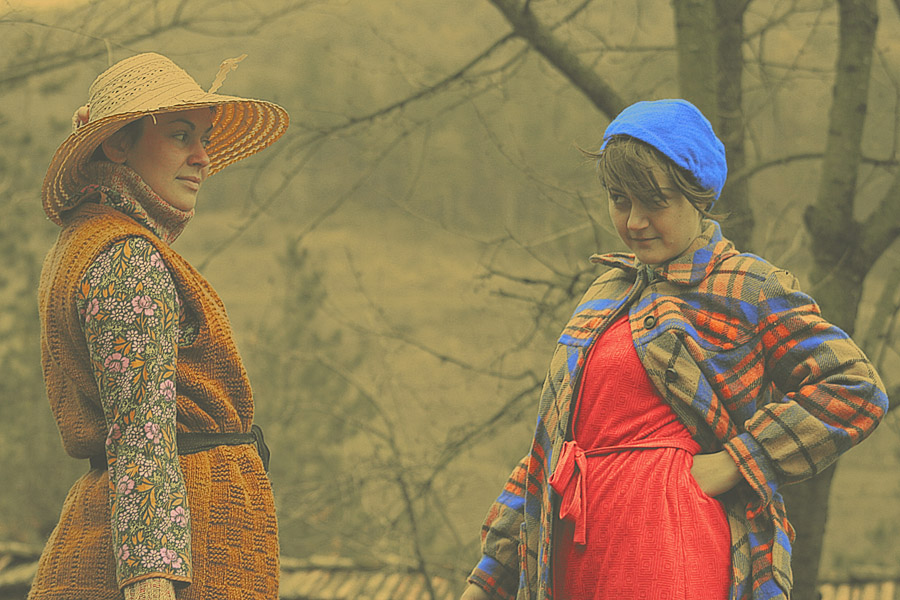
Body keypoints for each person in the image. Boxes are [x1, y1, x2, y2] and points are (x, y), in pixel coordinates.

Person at [460, 99, 888, 600]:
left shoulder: (746, 285)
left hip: (671, 550)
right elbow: (548, 450)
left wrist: (737, 461)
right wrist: (488, 577)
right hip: (576, 561)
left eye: (654, 202)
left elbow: (856, 388)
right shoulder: (604, 293)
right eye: (620, 200)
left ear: (697, 195)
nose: (635, 221)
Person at [31, 52, 289, 600]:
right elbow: (142, 434)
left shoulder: (91, 242)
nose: (202, 157)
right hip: (184, 552)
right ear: (116, 145)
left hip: (184, 529)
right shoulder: (125, 258)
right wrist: (151, 583)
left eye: (205, 138)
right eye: (179, 135)